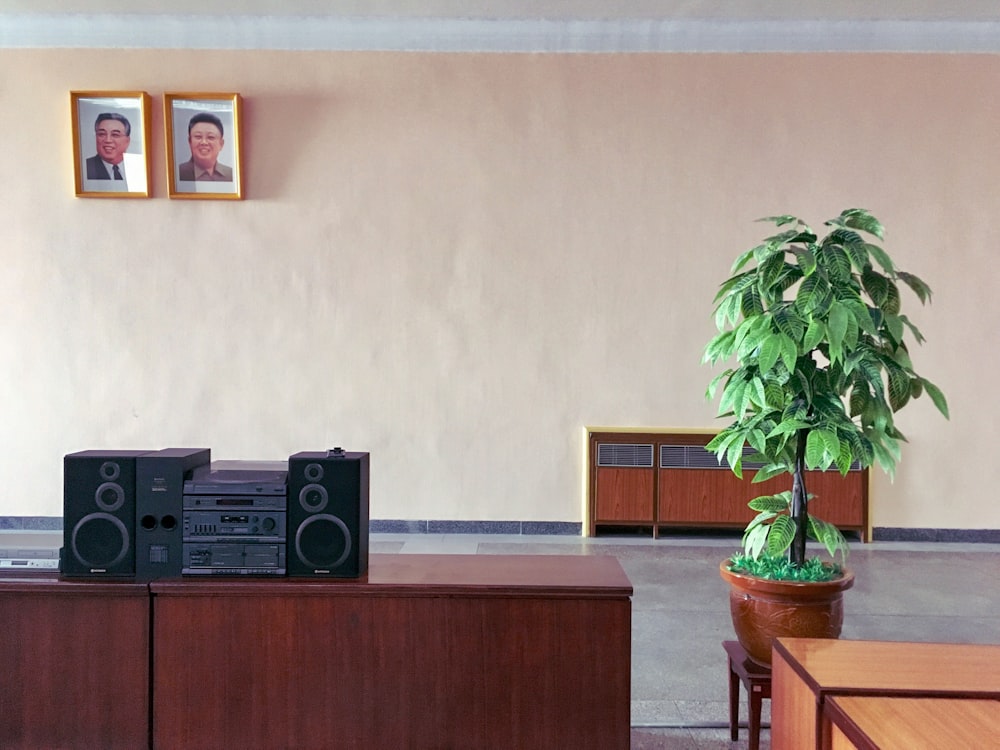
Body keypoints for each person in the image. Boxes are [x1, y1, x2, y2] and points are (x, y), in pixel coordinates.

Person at [178, 112, 232, 182]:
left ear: (221, 144)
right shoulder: (179, 173)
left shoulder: (231, 175)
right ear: (190, 141)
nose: (204, 142)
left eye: (210, 137)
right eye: (198, 136)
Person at [85, 113, 131, 182]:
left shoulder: (137, 168)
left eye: (115, 135)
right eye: (102, 134)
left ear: (127, 141)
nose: (108, 140)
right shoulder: (86, 168)